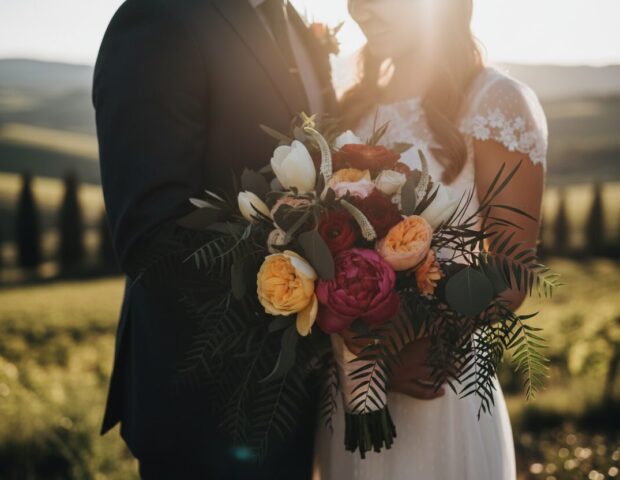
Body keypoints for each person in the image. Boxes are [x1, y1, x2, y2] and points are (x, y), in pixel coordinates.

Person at [93, 0, 338, 478]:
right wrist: (302, 287)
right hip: (204, 406)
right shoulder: (158, 18)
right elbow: (152, 241)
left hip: (302, 402)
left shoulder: (296, 25)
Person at [314, 0, 547, 478]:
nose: (362, 11)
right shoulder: (349, 106)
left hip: (438, 387)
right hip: (352, 389)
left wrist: (412, 344)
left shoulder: (496, 103)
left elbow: (512, 271)